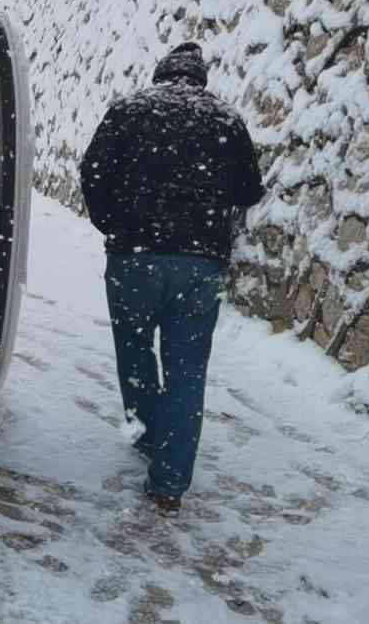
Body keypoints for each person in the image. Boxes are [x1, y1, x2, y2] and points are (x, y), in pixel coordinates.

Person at [78, 41, 264, 517]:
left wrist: (113, 223)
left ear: (161, 74)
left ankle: (148, 438)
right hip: (200, 264)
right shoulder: (226, 120)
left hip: (134, 258)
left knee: (135, 350)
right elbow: (249, 191)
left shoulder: (129, 110)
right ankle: (170, 483)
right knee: (187, 370)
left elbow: (93, 172)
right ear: (200, 79)